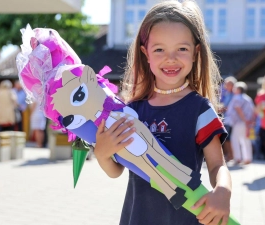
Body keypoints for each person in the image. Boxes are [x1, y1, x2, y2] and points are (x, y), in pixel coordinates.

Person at [94, 1, 232, 225]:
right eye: (159, 49)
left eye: (182, 49)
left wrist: (223, 192)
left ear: (196, 52)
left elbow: (218, 165)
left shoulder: (200, 110)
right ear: (145, 53)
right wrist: (102, 154)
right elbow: (116, 170)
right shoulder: (131, 111)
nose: (171, 58)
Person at [226, 82, 255, 165]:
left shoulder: (237, 98)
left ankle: (237, 158)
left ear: (239, 89)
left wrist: (244, 120)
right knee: (246, 140)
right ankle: (248, 158)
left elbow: (238, 109)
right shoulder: (248, 98)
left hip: (239, 122)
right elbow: (252, 110)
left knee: (235, 139)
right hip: (246, 122)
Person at [221, 76, 237, 162]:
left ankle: (231, 155)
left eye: (228, 84)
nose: (226, 86)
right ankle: (228, 154)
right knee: (226, 137)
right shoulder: (226, 94)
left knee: (229, 137)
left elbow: (232, 107)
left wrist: (224, 108)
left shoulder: (235, 95)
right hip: (226, 118)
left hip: (232, 119)